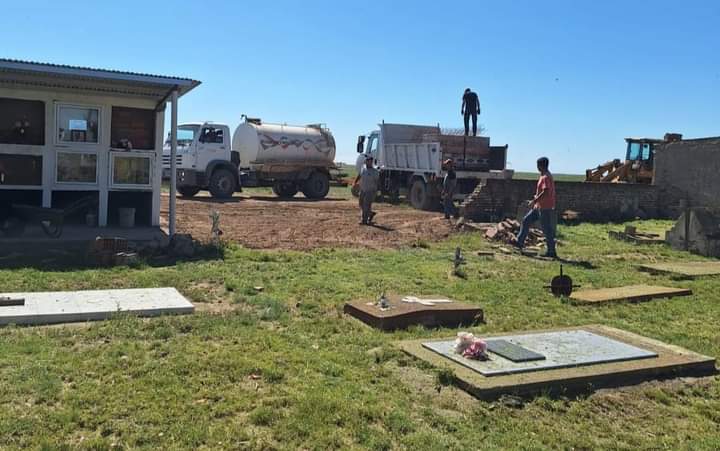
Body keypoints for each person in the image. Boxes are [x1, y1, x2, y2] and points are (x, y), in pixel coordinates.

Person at [516, 157, 557, 258]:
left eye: (538, 165)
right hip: (538, 207)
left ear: (541, 165)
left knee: (547, 230)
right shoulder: (543, 175)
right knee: (526, 221)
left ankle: (551, 252)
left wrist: (535, 200)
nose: (537, 167)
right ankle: (519, 243)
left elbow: (546, 191)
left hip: (544, 207)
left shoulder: (546, 177)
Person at [354, 156, 380, 225]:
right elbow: (359, 175)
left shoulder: (375, 171)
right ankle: (370, 214)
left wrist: (377, 191)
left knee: (366, 205)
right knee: (361, 204)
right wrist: (355, 182)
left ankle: (364, 220)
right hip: (363, 189)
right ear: (366, 161)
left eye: (371, 161)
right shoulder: (363, 169)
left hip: (370, 191)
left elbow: (378, 182)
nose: (369, 162)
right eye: (368, 161)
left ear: (372, 162)